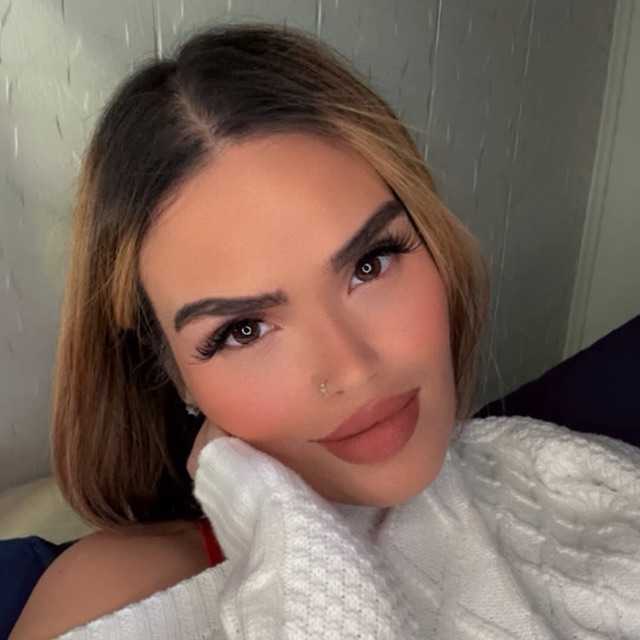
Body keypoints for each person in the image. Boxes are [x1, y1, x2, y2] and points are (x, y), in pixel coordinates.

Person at [10, 22, 640, 640]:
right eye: (244, 330)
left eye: (371, 264)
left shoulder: (555, 481)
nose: (353, 367)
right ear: (175, 376)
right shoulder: (118, 597)